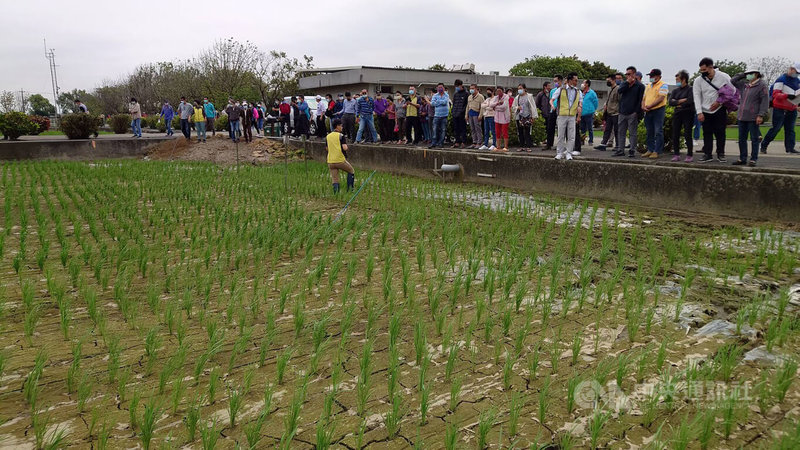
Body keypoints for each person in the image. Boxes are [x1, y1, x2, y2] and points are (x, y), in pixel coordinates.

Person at [693, 57, 733, 163]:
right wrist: (699, 112)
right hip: (705, 110)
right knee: (707, 133)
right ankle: (708, 154)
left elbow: (732, 91)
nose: (702, 72)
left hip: (719, 109)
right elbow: (696, 96)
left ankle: (721, 153)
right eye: (701, 70)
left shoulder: (724, 77)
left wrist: (719, 102)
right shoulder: (698, 80)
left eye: (704, 70)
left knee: (720, 132)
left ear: (711, 67)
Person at [731, 70, 769, 166]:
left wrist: (760, 115)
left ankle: (753, 159)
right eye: (747, 74)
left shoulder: (762, 85)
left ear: (756, 74)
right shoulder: (744, 85)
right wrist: (742, 75)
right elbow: (733, 81)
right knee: (741, 139)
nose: (748, 75)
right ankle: (742, 158)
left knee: (754, 139)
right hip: (742, 116)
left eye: (750, 74)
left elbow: (765, 101)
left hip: (753, 117)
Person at [761, 62, 800, 154]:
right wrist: (787, 96)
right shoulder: (781, 79)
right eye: (796, 72)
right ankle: (764, 145)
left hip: (792, 108)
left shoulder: (798, 81)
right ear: (791, 69)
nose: (797, 74)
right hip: (780, 108)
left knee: (790, 130)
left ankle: (790, 148)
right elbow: (775, 94)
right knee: (776, 128)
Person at [550, 73, 583, 160]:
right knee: (561, 135)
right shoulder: (561, 89)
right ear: (569, 80)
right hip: (562, 115)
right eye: (575, 80)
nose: (576, 82)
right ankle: (559, 153)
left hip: (572, 116)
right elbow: (552, 99)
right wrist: (552, 105)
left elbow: (580, 102)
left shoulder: (578, 91)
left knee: (571, 136)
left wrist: (579, 113)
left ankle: (569, 152)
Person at [613, 66, 645, 157]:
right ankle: (620, 150)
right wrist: (627, 83)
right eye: (626, 74)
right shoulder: (624, 83)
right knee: (621, 132)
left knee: (632, 133)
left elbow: (640, 100)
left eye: (629, 74)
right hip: (622, 112)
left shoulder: (640, 86)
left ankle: (632, 150)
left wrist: (636, 112)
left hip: (633, 113)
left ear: (634, 74)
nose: (628, 76)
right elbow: (619, 91)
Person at [641, 69, 669, 159]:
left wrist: (650, 106)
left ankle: (657, 151)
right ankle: (650, 149)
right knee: (649, 131)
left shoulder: (663, 85)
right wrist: (643, 106)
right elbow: (644, 98)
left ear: (659, 76)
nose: (651, 77)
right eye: (650, 76)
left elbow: (661, 98)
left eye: (653, 76)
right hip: (648, 111)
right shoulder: (648, 86)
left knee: (658, 131)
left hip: (658, 110)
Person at [669, 70, 695, 162]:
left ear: (684, 79)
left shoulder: (691, 89)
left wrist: (678, 102)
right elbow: (670, 102)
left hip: (688, 113)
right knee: (675, 134)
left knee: (687, 134)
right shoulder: (675, 90)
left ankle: (689, 154)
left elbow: (690, 101)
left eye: (678, 80)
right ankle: (676, 154)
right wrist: (680, 101)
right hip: (677, 114)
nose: (677, 82)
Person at [326, 119, 355, 194]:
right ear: (337, 126)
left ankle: (336, 193)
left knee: (335, 178)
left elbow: (327, 148)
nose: (342, 127)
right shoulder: (341, 136)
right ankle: (350, 189)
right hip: (340, 160)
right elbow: (345, 148)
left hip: (330, 161)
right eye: (341, 125)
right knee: (351, 171)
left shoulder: (328, 136)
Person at [595, 75, 619, 151]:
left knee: (616, 130)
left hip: (615, 113)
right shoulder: (610, 89)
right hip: (609, 112)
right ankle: (603, 144)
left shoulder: (617, 89)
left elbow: (619, 101)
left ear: (613, 80)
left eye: (609, 80)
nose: (607, 82)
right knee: (607, 129)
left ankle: (618, 145)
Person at [513, 83, 538, 152]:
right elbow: (513, 106)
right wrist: (517, 107)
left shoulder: (529, 96)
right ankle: (521, 145)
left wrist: (533, 116)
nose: (519, 90)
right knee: (520, 132)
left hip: (527, 116)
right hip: (519, 116)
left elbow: (533, 106)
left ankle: (528, 146)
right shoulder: (517, 97)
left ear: (524, 89)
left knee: (527, 131)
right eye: (518, 89)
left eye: (521, 88)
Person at [490, 86, 511, 152]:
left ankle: (505, 146)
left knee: (504, 132)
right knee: (497, 132)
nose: (498, 92)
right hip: (497, 118)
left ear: (503, 91)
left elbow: (504, 107)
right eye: (497, 91)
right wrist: (497, 103)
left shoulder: (506, 97)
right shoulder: (496, 98)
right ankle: (498, 146)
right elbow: (491, 105)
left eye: (500, 91)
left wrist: (495, 108)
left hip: (504, 118)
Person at [545, 75, 564, 150]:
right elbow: (551, 100)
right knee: (550, 127)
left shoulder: (564, 90)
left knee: (561, 128)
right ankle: (549, 144)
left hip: (561, 111)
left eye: (556, 81)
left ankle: (560, 145)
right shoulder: (552, 91)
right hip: (552, 110)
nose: (555, 83)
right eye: (554, 81)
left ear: (560, 81)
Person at [429, 83, 450, 148]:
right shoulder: (435, 95)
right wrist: (440, 102)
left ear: (443, 88)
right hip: (436, 115)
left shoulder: (446, 95)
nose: (440, 89)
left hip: (444, 115)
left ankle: (441, 143)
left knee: (443, 130)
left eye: (441, 87)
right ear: (437, 88)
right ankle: (434, 143)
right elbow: (432, 103)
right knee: (435, 129)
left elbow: (445, 102)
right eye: (439, 87)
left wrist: (437, 102)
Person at [450, 79, 469, 148]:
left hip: (462, 114)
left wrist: (462, 112)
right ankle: (457, 141)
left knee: (463, 129)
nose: (456, 87)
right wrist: (453, 111)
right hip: (455, 114)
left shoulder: (466, 93)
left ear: (461, 85)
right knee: (456, 129)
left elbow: (466, 105)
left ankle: (463, 142)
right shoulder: (456, 94)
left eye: (457, 86)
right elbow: (454, 103)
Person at [465, 84, 484, 149]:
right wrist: (466, 115)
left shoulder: (480, 96)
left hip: (477, 113)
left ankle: (479, 142)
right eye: (470, 88)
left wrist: (480, 115)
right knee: (472, 129)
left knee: (477, 128)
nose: (471, 90)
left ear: (476, 89)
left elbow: (482, 107)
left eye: (473, 88)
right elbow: (468, 106)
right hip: (470, 113)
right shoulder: (469, 97)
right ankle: (474, 142)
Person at [580, 80, 598, 145]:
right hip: (582, 113)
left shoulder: (592, 93)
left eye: (584, 83)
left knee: (590, 127)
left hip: (589, 113)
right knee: (582, 128)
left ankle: (591, 140)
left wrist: (593, 110)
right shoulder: (582, 93)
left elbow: (595, 102)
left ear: (587, 84)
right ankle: (582, 140)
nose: (582, 84)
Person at [536, 82, 553, 150]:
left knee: (549, 128)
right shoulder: (540, 94)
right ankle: (543, 139)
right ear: (544, 87)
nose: (549, 88)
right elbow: (537, 104)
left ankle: (548, 141)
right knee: (543, 127)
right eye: (548, 86)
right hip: (543, 113)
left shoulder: (551, 94)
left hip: (550, 113)